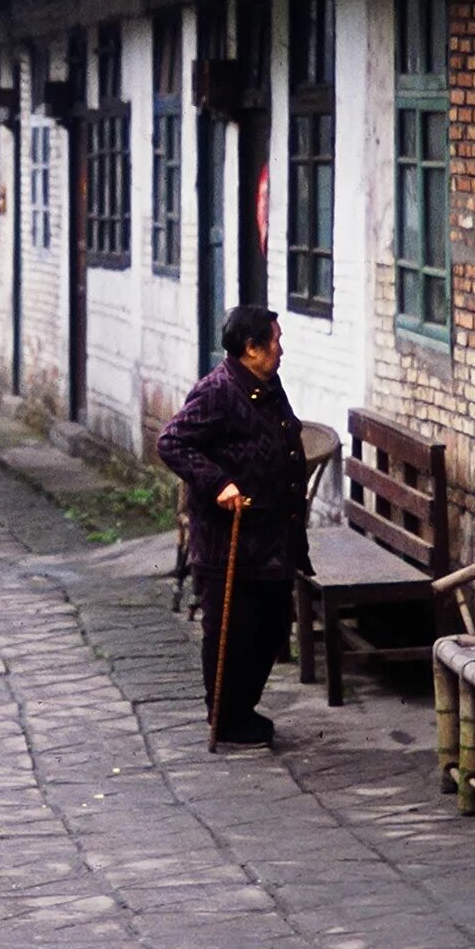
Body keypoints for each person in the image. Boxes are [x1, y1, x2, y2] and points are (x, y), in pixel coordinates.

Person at [155, 304, 309, 747]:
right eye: (275, 341)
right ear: (251, 348)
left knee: (273, 626)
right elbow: (173, 443)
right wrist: (218, 482)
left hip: (272, 538)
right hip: (230, 541)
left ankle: (243, 707)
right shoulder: (218, 391)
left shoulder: (266, 384)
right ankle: (225, 715)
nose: (281, 350)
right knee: (232, 629)